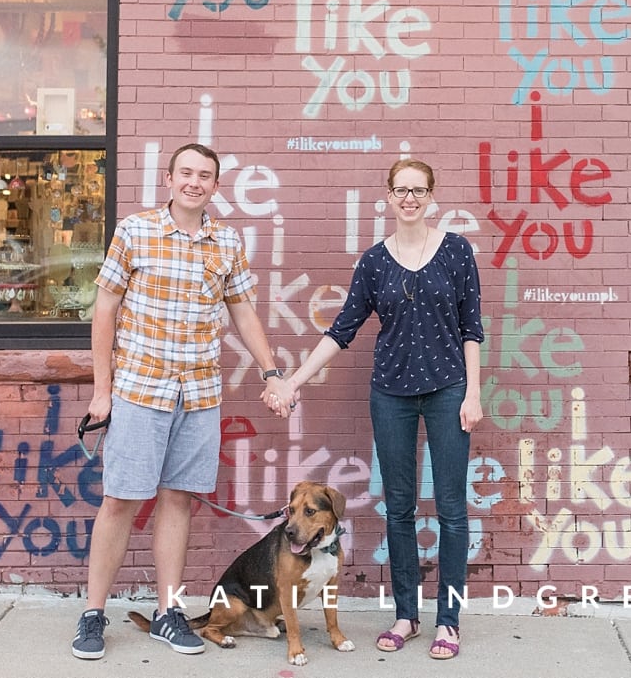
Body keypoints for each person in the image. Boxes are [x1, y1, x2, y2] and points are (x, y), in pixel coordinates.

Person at [72, 143, 290, 661]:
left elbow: (242, 312)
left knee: (178, 500)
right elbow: (104, 310)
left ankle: (168, 613)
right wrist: (102, 391)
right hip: (140, 390)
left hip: (199, 394)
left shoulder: (226, 241)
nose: (194, 182)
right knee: (121, 499)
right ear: (168, 179)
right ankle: (92, 613)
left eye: (205, 176)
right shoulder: (135, 231)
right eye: (186, 173)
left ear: (216, 186)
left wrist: (273, 371)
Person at [267, 158, 483, 662]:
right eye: (400, 190)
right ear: (387, 197)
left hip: (450, 389)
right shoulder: (374, 262)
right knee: (400, 508)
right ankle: (406, 615)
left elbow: (471, 327)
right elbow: (342, 330)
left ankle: (447, 621)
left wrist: (473, 393)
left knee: (451, 511)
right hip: (391, 394)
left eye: (419, 190)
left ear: (432, 196)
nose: (409, 198)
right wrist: (294, 381)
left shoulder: (456, 251)